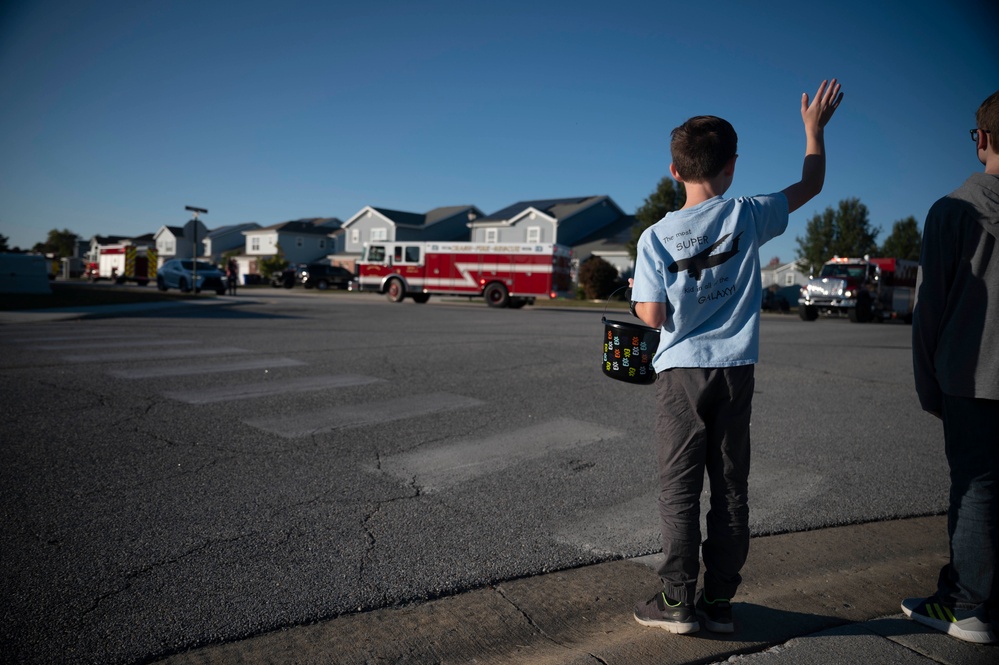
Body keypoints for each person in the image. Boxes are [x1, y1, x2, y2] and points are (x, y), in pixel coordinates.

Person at [629, 79, 843, 634]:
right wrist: (812, 130)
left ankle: (678, 601)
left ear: (674, 171)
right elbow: (811, 184)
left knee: (679, 486)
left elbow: (651, 317)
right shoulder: (748, 213)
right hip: (736, 369)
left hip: (680, 372)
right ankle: (720, 602)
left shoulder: (654, 238)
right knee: (728, 484)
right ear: (732, 167)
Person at [903, 90, 999, 645]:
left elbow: (929, 309)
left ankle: (967, 605)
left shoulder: (952, 212)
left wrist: (928, 383)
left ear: (981, 139)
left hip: (971, 375)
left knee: (976, 489)